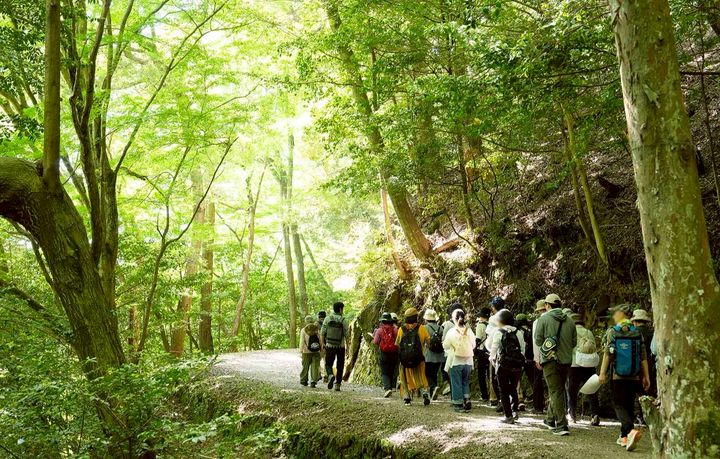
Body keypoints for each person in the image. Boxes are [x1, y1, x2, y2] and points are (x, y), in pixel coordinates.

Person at [599, 304, 650, 451]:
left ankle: (630, 430)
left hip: (618, 376)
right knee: (628, 406)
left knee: (618, 405)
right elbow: (643, 356)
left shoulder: (613, 332)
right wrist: (646, 376)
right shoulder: (637, 332)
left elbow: (608, 354)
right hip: (634, 376)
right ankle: (624, 437)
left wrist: (602, 373)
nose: (614, 316)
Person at [534, 293, 576, 436]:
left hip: (550, 360)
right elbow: (574, 342)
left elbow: (538, 340)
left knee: (555, 391)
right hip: (566, 361)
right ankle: (550, 419)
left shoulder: (543, 319)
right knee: (558, 390)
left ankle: (562, 425)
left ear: (547, 305)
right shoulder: (570, 321)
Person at [490, 309, 526, 424]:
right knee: (513, 388)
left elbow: (494, 348)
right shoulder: (518, 332)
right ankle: (515, 411)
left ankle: (508, 416)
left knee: (503, 390)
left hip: (503, 365)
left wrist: (492, 359)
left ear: (501, 321)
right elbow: (522, 349)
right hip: (517, 365)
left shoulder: (499, 332)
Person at [567, 313, 600, 426]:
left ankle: (572, 414)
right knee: (592, 390)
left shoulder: (570, 332)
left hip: (574, 365)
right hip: (589, 365)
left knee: (572, 391)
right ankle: (594, 414)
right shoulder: (588, 332)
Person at [396, 307, 431, 406]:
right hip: (419, 359)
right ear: (416, 317)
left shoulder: (401, 329)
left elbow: (397, 344)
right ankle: (424, 393)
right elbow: (428, 343)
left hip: (405, 360)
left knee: (405, 377)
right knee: (421, 376)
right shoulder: (421, 328)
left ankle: (407, 397)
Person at [443, 308, 476, 412]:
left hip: (456, 360)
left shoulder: (451, 331)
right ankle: (466, 399)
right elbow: (474, 344)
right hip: (468, 360)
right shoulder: (469, 331)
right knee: (465, 380)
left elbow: (446, 345)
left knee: (456, 382)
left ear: (454, 319)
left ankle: (458, 404)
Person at [320, 302, 350, 391]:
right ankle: (337, 384)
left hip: (330, 345)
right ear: (340, 309)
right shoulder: (344, 320)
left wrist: (322, 343)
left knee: (328, 363)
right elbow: (347, 335)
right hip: (341, 346)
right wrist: (348, 347)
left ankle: (330, 375)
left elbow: (322, 332)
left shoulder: (327, 319)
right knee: (340, 365)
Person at [373, 312, 399, 398]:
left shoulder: (379, 330)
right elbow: (398, 340)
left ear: (382, 321)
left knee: (384, 372)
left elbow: (375, 342)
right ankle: (391, 387)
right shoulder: (395, 329)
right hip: (394, 353)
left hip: (384, 353)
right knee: (392, 370)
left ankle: (387, 388)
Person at [631, 309, 656, 398]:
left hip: (636, 366)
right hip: (650, 364)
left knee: (639, 393)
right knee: (649, 390)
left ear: (635, 322)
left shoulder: (632, 333)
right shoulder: (652, 332)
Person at [441, 303, 463, 395]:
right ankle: (465, 396)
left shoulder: (448, 324)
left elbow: (444, 339)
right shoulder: (465, 324)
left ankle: (455, 397)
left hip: (450, 353)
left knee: (452, 374)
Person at [423, 309, 445, 400]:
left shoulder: (424, 328)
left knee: (427, 373)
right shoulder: (441, 328)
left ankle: (433, 387)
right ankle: (433, 393)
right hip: (439, 355)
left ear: (426, 319)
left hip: (428, 355)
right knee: (434, 374)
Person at [531, 300, 547, 414]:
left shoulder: (537, 322)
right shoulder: (556, 320)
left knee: (538, 380)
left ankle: (538, 406)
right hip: (554, 354)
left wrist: (537, 358)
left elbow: (536, 341)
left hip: (541, 354)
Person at [474, 307, 492, 403]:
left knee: (481, 374)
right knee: (490, 374)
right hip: (490, 351)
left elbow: (477, 339)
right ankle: (493, 394)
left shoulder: (480, 325)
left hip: (482, 351)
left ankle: (484, 395)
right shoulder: (491, 325)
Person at [300, 315, 322, 387]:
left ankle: (304, 381)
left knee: (305, 366)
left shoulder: (303, 330)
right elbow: (320, 339)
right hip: (316, 351)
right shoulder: (316, 329)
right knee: (315, 367)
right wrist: (321, 349)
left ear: (305, 322)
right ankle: (313, 382)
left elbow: (302, 341)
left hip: (306, 352)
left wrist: (301, 350)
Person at [317, 310, 328, 383]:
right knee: (326, 361)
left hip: (318, 346)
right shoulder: (328, 323)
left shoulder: (315, 324)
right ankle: (326, 376)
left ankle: (318, 374)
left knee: (317, 361)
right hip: (327, 345)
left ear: (318, 317)